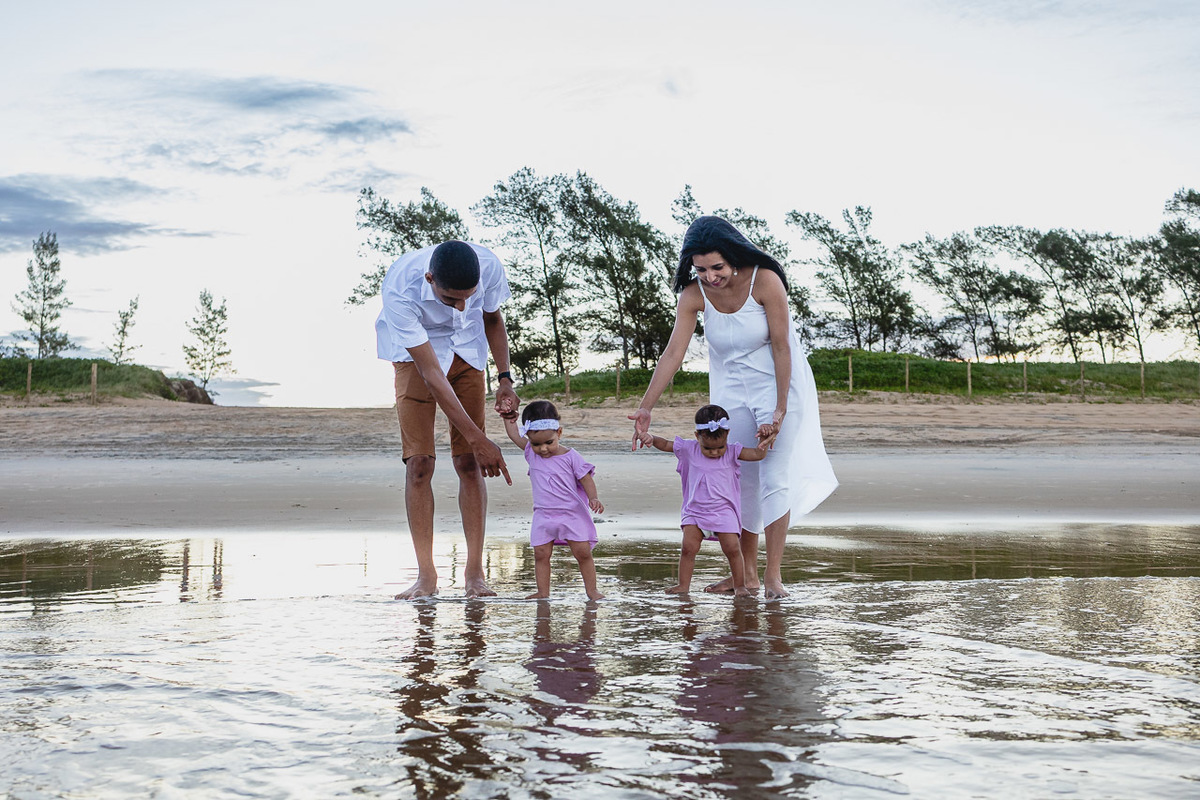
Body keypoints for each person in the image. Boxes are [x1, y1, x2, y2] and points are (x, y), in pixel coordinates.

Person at [630, 216, 838, 599]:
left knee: (774, 475)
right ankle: (746, 577)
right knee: (737, 477)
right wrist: (646, 407)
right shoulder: (694, 295)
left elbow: (781, 346)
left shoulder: (765, 281)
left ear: (734, 257)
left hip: (779, 386)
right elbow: (674, 353)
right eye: (701, 269)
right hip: (730, 392)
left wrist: (778, 410)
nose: (710, 277)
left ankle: (773, 577)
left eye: (717, 268)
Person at [376, 240, 519, 599]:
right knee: (419, 464)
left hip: (468, 351)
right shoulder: (400, 288)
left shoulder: (488, 265)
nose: (461, 306)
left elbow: (491, 318)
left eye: (468, 296)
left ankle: (475, 573)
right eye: (452, 299)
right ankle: (426, 576)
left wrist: (504, 380)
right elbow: (431, 373)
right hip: (415, 359)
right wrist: (480, 438)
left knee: (469, 464)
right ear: (429, 279)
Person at [638, 403, 767, 597]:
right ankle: (683, 585)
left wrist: (765, 438)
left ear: (727, 435)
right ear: (697, 436)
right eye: (708, 449)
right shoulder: (689, 449)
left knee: (732, 549)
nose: (715, 453)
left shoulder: (732, 451)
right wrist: (651, 438)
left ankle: (740, 585)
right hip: (695, 511)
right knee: (688, 548)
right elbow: (665, 444)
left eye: (719, 448)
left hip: (724, 512)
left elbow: (758, 454)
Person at [503, 400, 605, 601]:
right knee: (540, 553)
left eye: (549, 442)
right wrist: (509, 419)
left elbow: (586, 478)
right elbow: (514, 435)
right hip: (543, 514)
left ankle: (592, 591)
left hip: (572, 513)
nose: (542, 449)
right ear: (529, 439)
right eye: (536, 444)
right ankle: (543, 592)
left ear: (559, 433)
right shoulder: (531, 454)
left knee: (582, 552)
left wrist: (593, 498)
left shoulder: (571, 456)